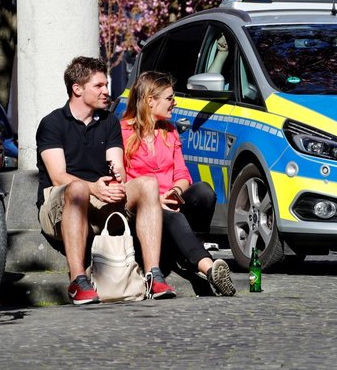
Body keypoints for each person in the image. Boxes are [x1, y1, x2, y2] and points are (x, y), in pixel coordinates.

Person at [37, 57, 176, 304]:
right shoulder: (53, 123)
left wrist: (116, 182)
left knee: (148, 184)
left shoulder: (109, 122)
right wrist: (94, 188)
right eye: (99, 86)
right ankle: (78, 281)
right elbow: (58, 176)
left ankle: (154, 275)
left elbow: (117, 166)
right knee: (77, 187)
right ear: (77, 89)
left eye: (106, 85)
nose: (106, 91)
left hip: (101, 201)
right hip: (62, 205)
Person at [119, 70, 235, 297]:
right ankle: (208, 267)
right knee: (171, 215)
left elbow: (182, 173)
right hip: (144, 208)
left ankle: (192, 250)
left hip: (171, 201)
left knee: (204, 192)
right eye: (170, 98)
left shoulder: (169, 131)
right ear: (150, 101)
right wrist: (156, 199)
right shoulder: (123, 131)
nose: (175, 102)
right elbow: (124, 180)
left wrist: (174, 191)